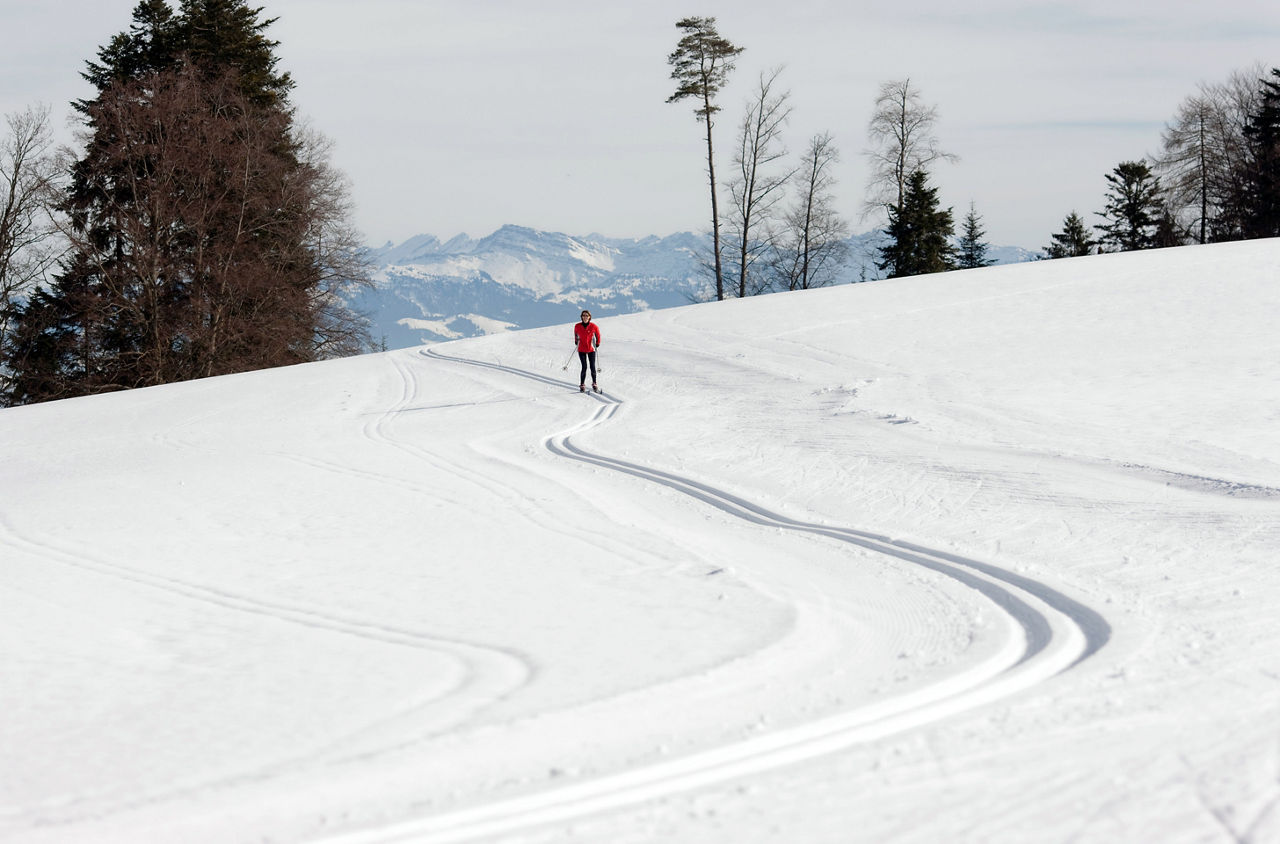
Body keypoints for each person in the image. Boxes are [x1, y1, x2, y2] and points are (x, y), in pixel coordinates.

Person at [573, 310, 601, 392]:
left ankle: (594, 383)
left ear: (589, 317)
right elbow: (575, 334)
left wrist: (598, 343)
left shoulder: (593, 326)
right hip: (581, 349)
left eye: (587, 315)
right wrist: (576, 341)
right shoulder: (577, 326)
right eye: (583, 315)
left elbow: (598, 335)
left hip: (591, 349)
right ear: (581, 317)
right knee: (584, 367)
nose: (585, 317)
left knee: (592, 367)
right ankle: (582, 384)